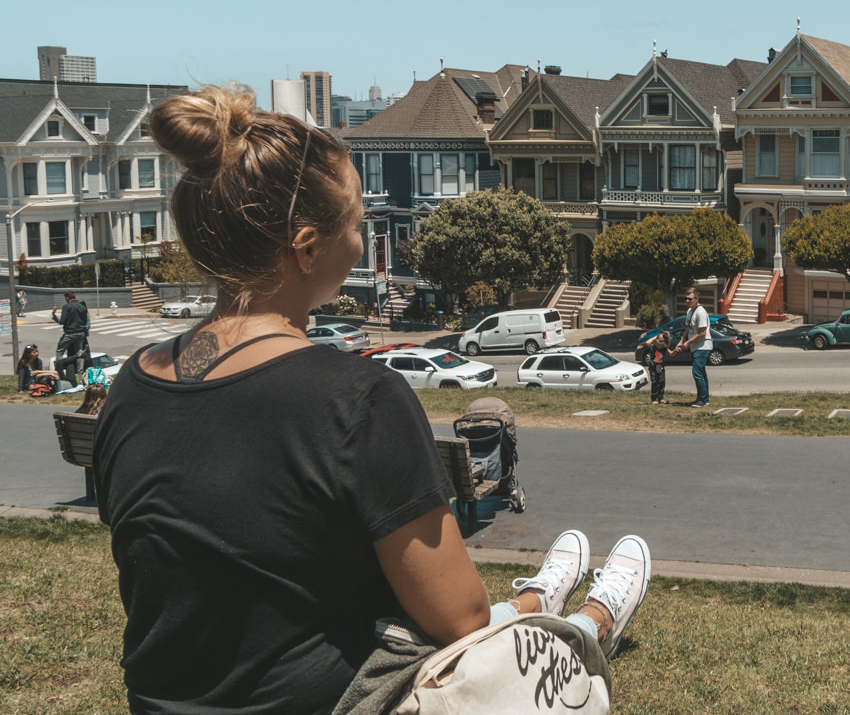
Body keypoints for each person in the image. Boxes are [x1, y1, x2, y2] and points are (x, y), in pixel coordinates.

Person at [93, 86, 651, 714]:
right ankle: (584, 622)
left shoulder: (133, 386)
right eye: (356, 222)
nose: (361, 237)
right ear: (307, 247)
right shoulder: (356, 400)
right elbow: (459, 620)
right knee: (498, 645)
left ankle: (540, 601)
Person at [676, 288, 711, 407]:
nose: (687, 301)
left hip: (703, 346)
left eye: (690, 299)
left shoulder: (701, 312)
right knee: (701, 373)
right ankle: (705, 399)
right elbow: (688, 328)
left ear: (696, 299)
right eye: (685, 298)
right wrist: (682, 341)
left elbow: (702, 333)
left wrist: (688, 343)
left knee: (697, 372)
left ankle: (701, 400)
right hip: (695, 346)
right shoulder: (690, 311)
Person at [53, 291, 89, 361]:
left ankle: (59, 369)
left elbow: (62, 321)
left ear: (67, 298)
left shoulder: (66, 307)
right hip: (80, 333)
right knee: (79, 353)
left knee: (60, 351)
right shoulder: (82, 307)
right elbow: (85, 321)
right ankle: (80, 371)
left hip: (70, 333)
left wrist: (54, 315)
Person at [643, 328, 672, 405]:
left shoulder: (664, 348)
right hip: (653, 366)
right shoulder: (653, 346)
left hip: (660, 366)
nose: (659, 343)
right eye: (658, 340)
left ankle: (661, 398)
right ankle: (654, 398)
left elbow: (671, 353)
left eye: (661, 341)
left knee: (662, 381)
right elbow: (647, 342)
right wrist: (656, 337)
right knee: (655, 381)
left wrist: (676, 350)